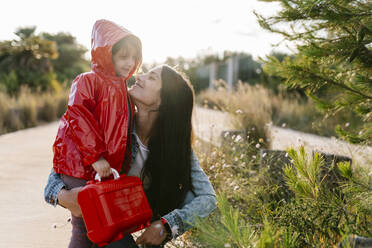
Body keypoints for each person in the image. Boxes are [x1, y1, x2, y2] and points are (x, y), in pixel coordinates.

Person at [44, 65, 217, 247]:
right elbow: (60, 169)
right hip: (101, 221)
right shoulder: (110, 126)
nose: (139, 76)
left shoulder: (176, 148)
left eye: (151, 78)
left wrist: (167, 225)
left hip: (136, 220)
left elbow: (208, 198)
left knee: (188, 195)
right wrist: (63, 196)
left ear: (163, 101)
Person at [50, 19, 142, 248]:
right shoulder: (87, 81)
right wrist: (97, 157)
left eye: (133, 57)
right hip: (80, 165)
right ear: (105, 54)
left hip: (100, 168)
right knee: (83, 227)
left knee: (99, 228)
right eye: (123, 56)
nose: (129, 63)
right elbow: (79, 116)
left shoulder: (121, 87)